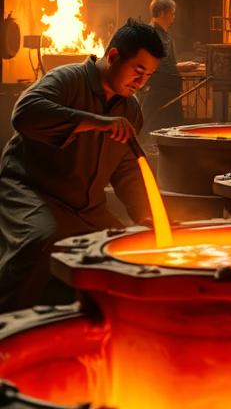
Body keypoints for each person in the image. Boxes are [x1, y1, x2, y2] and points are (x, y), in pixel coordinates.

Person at [0, 19, 164, 311]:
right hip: (32, 191)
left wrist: (146, 215)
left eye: (148, 75)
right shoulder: (67, 79)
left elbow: (127, 169)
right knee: (41, 239)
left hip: (87, 207)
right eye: (138, 71)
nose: (141, 83)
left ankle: (91, 326)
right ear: (113, 56)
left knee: (122, 249)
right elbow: (24, 114)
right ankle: (9, 325)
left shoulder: (130, 108)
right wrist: (95, 122)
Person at [140, 0, 199, 133]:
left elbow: (165, 61)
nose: (174, 17)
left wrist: (179, 65)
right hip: (157, 93)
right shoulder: (153, 35)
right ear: (161, 13)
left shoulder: (162, 34)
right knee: (156, 131)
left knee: (171, 131)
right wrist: (179, 67)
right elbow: (155, 66)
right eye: (172, 13)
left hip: (167, 91)